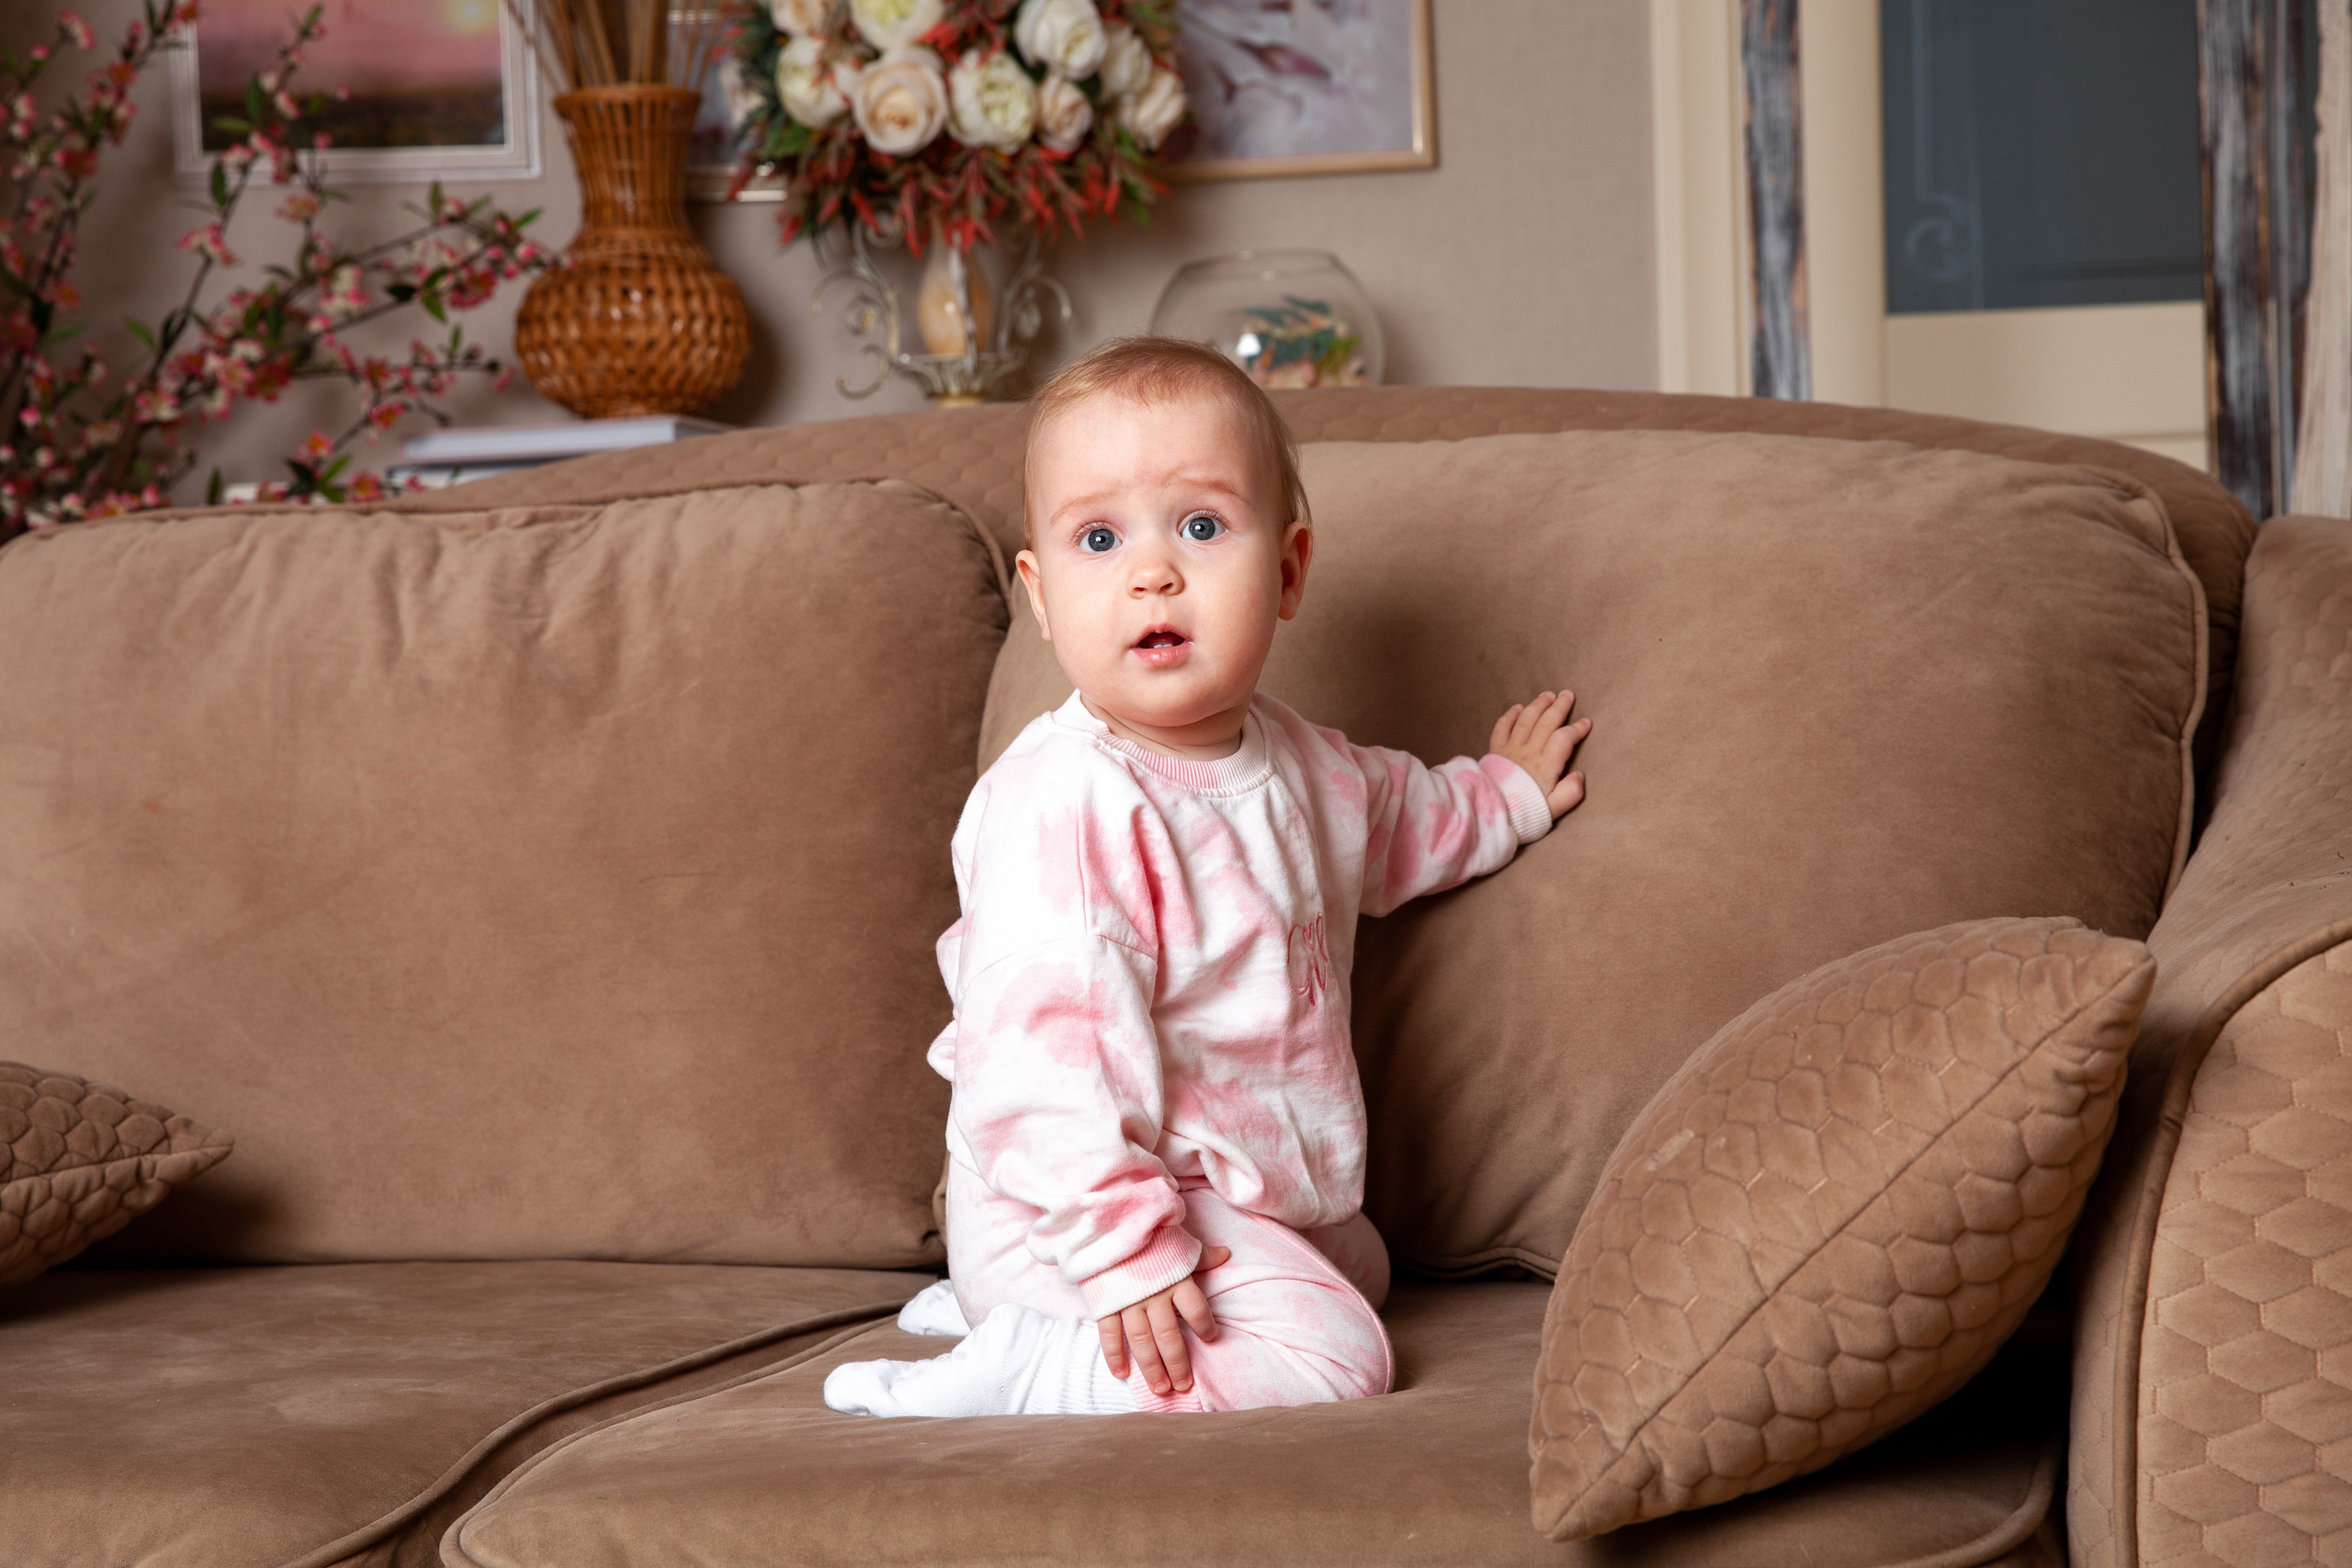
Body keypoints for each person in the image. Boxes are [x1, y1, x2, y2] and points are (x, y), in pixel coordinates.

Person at [823, 337, 1590, 1418]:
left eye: (1199, 526)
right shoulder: (1067, 801)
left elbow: (1399, 819)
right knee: (1339, 1357)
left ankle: (1022, 1315)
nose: (1152, 572)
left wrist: (1503, 794)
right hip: (1080, 1200)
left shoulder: (1305, 765)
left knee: (1361, 1267)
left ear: (1286, 571)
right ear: (1041, 596)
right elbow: (1041, 1068)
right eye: (1100, 538)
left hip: (1245, 1190)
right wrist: (1121, 1254)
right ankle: (1038, 1358)